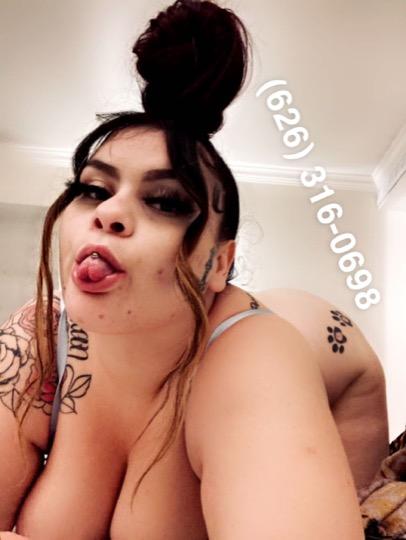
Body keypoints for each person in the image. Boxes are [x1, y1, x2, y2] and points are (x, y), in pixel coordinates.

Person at [0, 1, 365, 538]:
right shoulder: (36, 334)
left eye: (166, 202)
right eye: (94, 189)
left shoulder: (254, 355)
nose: (109, 212)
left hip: (336, 361)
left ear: (221, 263)